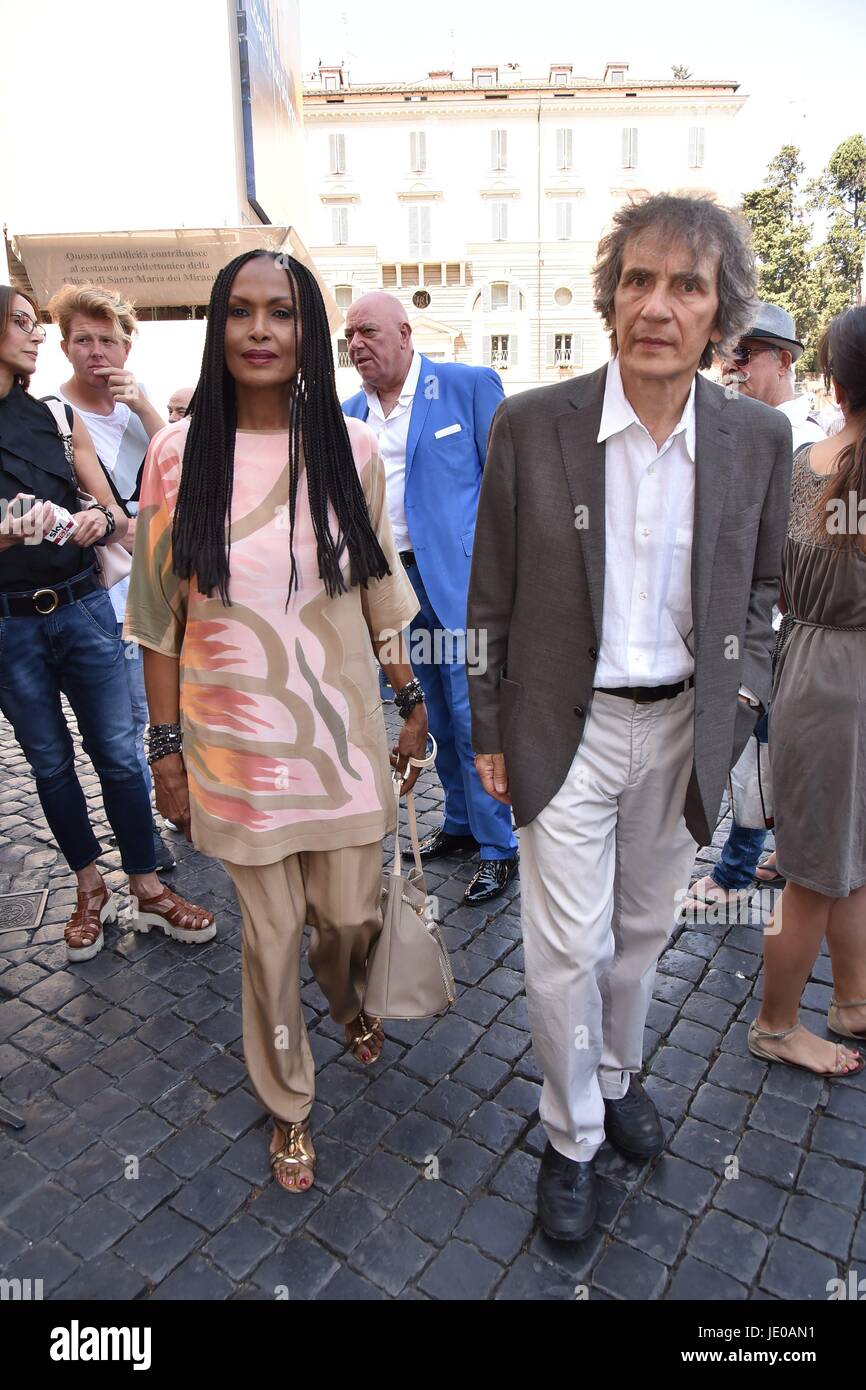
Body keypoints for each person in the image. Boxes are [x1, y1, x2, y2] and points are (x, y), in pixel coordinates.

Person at [467, 194, 792, 1242]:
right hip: (565, 727)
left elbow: (763, 588)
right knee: (563, 947)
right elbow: (486, 595)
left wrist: (743, 698)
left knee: (640, 933)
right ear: (608, 296)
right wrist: (483, 725)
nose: (656, 304)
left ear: (717, 313)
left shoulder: (756, 436)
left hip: (684, 728)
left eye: (684, 285)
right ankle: (568, 1137)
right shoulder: (531, 423)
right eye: (637, 280)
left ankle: (613, 1075)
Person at [126, 251, 426, 1195]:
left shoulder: (355, 450)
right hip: (234, 745)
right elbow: (157, 618)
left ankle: (350, 1001)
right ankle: (290, 1103)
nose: (261, 330)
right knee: (271, 937)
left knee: (346, 917)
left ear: (308, 336)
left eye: (283, 314)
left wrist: (412, 700)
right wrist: (165, 750)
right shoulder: (175, 457)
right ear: (219, 330)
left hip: (340, 739)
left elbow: (378, 589)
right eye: (241, 313)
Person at [0, 286, 214, 962]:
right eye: (22, 324)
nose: (36, 338)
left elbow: (111, 510)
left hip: (82, 606)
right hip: (9, 626)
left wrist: (97, 520)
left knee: (120, 756)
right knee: (49, 765)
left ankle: (147, 885)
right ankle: (89, 885)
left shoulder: (52, 420)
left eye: (37, 325)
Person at [342, 293, 518, 904]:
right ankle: (464, 824)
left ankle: (501, 846)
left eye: (367, 331)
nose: (356, 343)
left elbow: (508, 485)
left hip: (460, 584)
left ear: (405, 333)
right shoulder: (347, 415)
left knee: (476, 717)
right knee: (430, 711)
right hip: (393, 588)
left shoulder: (466, 387)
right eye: (350, 336)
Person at [749, 307, 866, 1079]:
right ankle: (776, 1024)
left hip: (811, 667)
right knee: (816, 869)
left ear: (833, 378)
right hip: (845, 682)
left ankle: (852, 1001)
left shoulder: (804, 464)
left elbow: (782, 581)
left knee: (843, 855)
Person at [683, 302, 825, 917]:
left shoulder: (805, 442)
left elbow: (803, 560)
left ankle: (743, 867)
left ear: (785, 361)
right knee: (765, 753)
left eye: (744, 354)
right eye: (724, 353)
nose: (728, 366)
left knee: (761, 754)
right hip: (756, 627)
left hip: (782, 634)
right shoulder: (744, 430)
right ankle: (781, 853)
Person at [48, 283, 175, 871]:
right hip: (107, 586)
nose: (97, 352)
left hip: (165, 575)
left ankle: (179, 801)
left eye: (109, 341)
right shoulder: (55, 413)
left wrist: (148, 409)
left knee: (177, 704)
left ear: (127, 348)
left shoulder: (140, 409)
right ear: (65, 346)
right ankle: (143, 835)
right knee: (126, 720)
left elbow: (188, 462)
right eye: (84, 340)